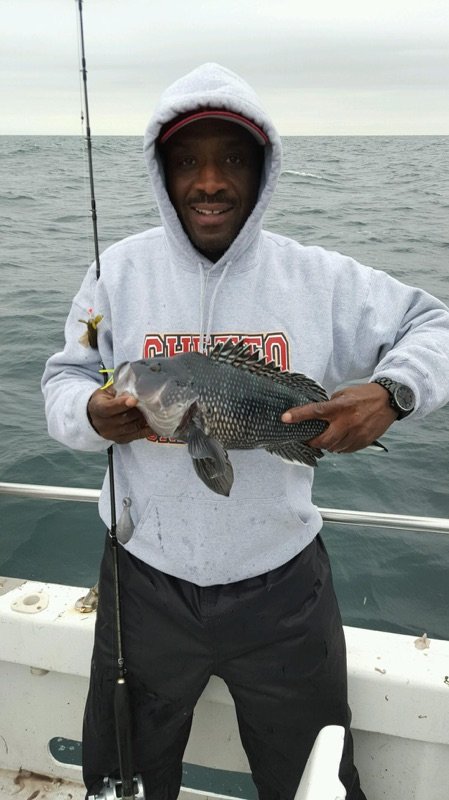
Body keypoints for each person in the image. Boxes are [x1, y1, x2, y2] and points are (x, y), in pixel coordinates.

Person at [42, 63, 449, 800]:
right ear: (161, 172)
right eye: (186, 161)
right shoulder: (115, 273)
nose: (209, 181)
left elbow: (434, 323)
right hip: (141, 579)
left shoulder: (320, 279)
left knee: (314, 779)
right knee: (123, 776)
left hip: (283, 588)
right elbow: (66, 379)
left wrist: (393, 394)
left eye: (231, 158)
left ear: (262, 171)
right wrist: (90, 413)